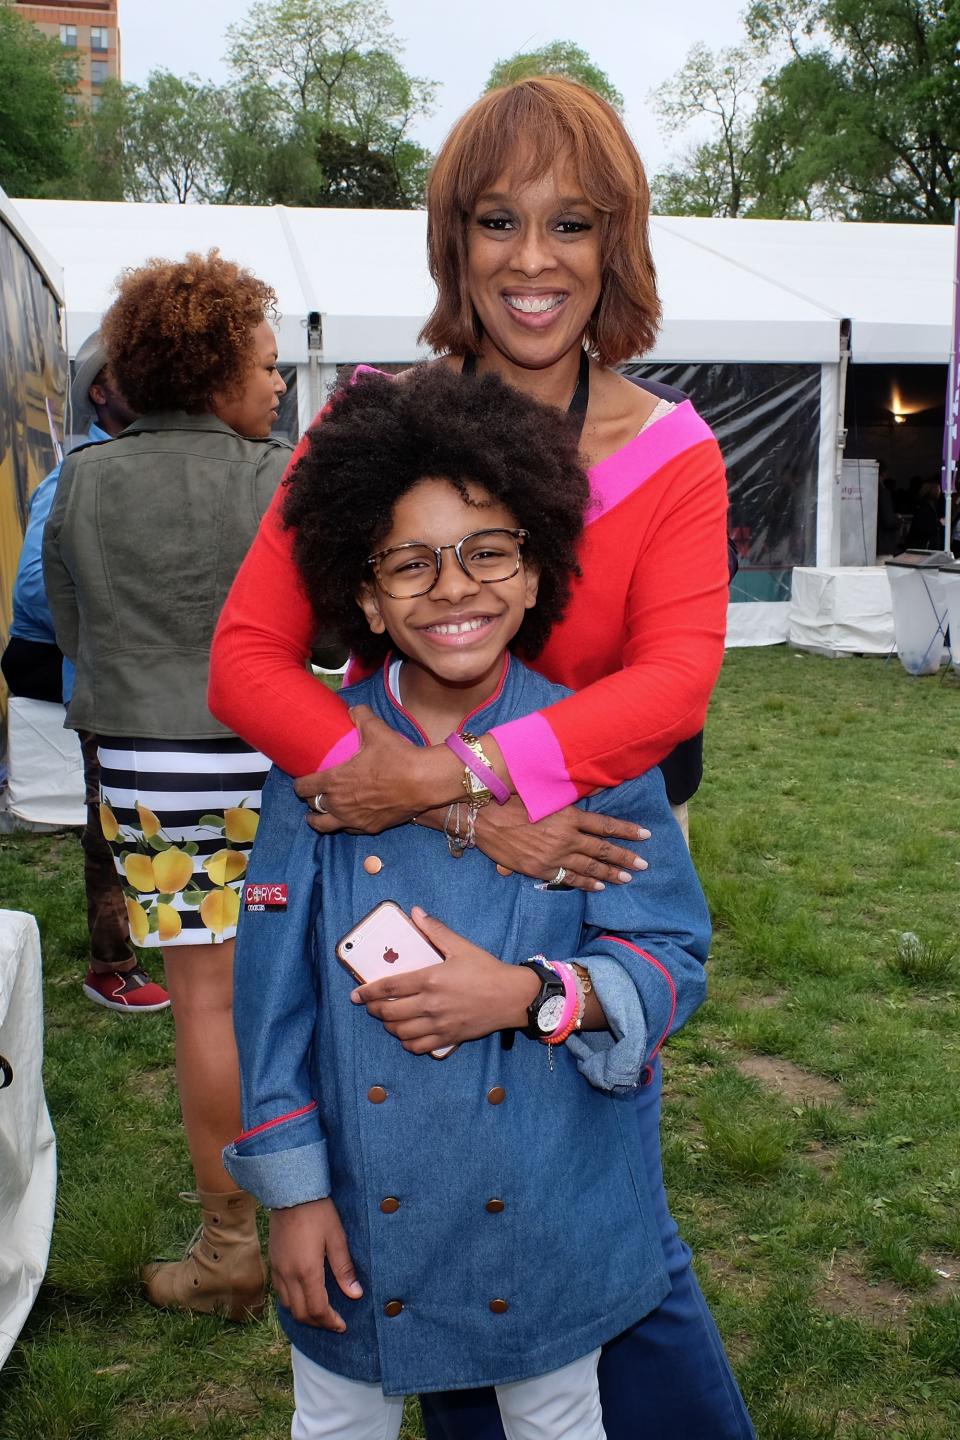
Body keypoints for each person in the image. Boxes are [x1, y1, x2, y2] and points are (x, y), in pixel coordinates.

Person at [210, 78, 752, 1436]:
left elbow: (676, 683)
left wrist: (461, 782)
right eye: (497, 221)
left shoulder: (674, 453)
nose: (531, 260)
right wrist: (430, 802)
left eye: (571, 224)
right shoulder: (368, 430)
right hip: (383, 854)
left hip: (592, 864)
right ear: (453, 240)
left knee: (588, 1190)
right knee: (426, 1189)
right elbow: (246, 661)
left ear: (616, 241)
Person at [43, 250, 291, 1321]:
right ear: (216, 367)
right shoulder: (280, 476)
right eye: (269, 366)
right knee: (309, 992)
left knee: (206, 1004)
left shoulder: (83, 477)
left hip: (147, 765)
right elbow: (330, 627)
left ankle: (230, 1248)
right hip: (275, 754)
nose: (279, 386)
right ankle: (341, 1217)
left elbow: (66, 622)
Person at [1, 333, 167, 1013]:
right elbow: (37, 592)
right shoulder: (78, 471)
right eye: (125, 372)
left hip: (141, 675)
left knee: (148, 812)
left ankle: (161, 933)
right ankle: (110, 966)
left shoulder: (142, 463)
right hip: (102, 677)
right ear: (99, 391)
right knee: (110, 819)